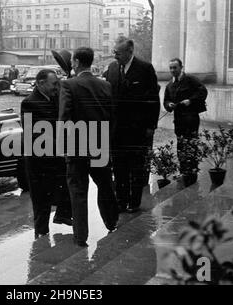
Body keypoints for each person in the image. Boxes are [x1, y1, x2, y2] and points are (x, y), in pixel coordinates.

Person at [59, 47, 119, 247]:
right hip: (99, 145)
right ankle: (112, 222)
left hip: (76, 148)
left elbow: (64, 118)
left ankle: (81, 236)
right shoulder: (106, 86)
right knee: (105, 185)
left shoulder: (68, 85)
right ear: (91, 61)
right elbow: (112, 118)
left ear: (75, 62)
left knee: (78, 191)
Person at [104, 37, 160, 214]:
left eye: (118, 53)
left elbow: (153, 100)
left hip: (137, 129)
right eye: (114, 52)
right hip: (117, 130)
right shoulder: (112, 69)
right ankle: (121, 201)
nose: (115, 56)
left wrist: (151, 126)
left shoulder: (145, 69)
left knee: (136, 167)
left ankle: (134, 202)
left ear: (129, 52)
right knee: (119, 167)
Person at [21, 69, 73, 239]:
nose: (56, 87)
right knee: (41, 201)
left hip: (54, 158)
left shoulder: (55, 98)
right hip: (38, 161)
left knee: (64, 189)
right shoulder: (29, 102)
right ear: (41, 83)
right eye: (53, 84)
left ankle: (62, 216)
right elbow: (33, 134)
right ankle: (41, 234)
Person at [163, 58, 208, 185]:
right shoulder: (169, 85)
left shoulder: (190, 80)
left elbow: (203, 91)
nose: (172, 70)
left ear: (181, 67)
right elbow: (165, 101)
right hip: (178, 120)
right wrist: (169, 105)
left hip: (191, 118)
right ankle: (183, 172)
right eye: (170, 68)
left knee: (191, 145)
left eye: (175, 68)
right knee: (181, 146)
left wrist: (191, 100)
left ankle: (192, 173)